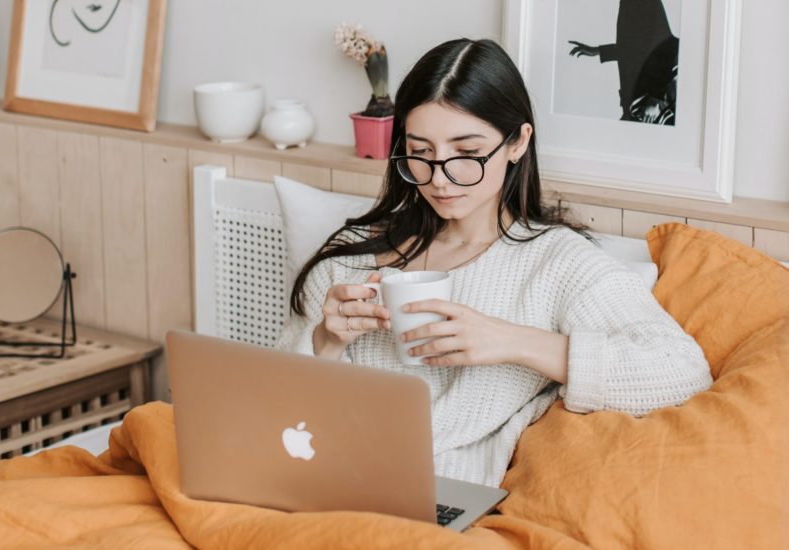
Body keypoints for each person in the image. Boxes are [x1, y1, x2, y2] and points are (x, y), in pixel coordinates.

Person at [275, 38, 711, 488]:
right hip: (316, 478)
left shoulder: (556, 264)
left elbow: (682, 371)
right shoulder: (349, 259)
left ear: (518, 143)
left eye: (466, 154)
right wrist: (325, 341)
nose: (441, 178)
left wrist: (512, 341)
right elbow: (276, 411)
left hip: (434, 499)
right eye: (421, 153)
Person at [568, 0, 679, 124]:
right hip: (636, 107)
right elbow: (634, 47)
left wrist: (656, 99)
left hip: (654, 111)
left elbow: (666, 46)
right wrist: (597, 51)